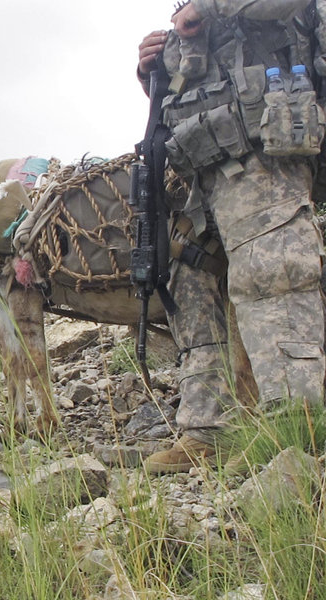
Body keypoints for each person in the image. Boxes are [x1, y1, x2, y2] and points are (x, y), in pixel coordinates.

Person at [136, 0, 326, 472]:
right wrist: (153, 69)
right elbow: (189, 86)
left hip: (266, 154)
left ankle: (299, 442)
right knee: (189, 276)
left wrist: (204, 8)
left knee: (273, 279)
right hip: (205, 169)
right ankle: (210, 430)